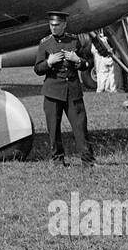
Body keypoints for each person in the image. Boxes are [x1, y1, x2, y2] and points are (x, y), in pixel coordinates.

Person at [33, 10, 95, 165]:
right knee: (53, 129)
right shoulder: (45, 43)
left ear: (64, 25)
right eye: (51, 25)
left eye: (57, 25)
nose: (53, 28)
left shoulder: (74, 41)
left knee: (80, 127)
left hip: (73, 92)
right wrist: (49, 62)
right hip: (53, 92)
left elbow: (87, 63)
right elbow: (37, 69)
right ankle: (58, 161)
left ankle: (88, 161)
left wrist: (77, 60)